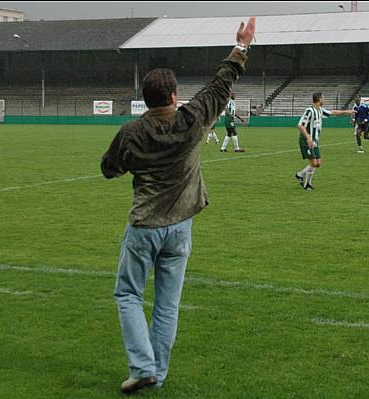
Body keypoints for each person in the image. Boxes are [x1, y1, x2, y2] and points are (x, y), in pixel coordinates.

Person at [100, 17, 256, 394]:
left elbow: (109, 169)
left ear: (146, 97)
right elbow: (220, 85)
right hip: (181, 226)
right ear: (173, 96)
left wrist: (133, 161)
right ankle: (157, 372)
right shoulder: (191, 119)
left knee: (128, 294)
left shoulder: (131, 132)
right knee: (167, 305)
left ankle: (142, 367)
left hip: (144, 226)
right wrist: (241, 47)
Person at [295, 92, 355, 190]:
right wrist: (308, 138)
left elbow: (333, 112)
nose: (324, 100)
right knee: (314, 163)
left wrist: (347, 112)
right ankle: (307, 184)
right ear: (319, 99)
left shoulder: (320, 110)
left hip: (315, 141)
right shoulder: (309, 111)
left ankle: (300, 174)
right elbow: (300, 125)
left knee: (318, 163)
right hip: (306, 141)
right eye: (323, 98)